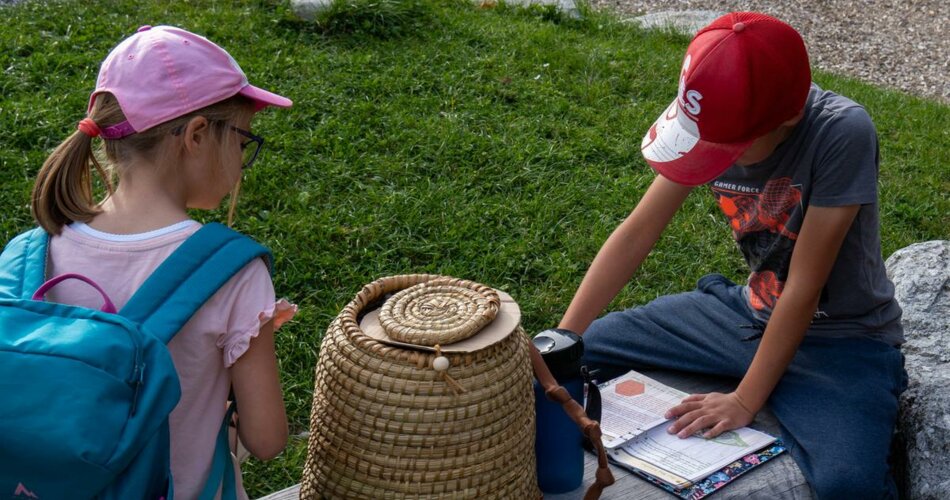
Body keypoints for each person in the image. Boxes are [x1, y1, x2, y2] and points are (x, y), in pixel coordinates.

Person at [558, 12, 906, 499]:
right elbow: (638, 231)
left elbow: (804, 287)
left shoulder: (842, 132)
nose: (714, 155)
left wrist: (746, 399)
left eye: (728, 147)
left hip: (842, 342)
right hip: (743, 314)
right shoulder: (718, 108)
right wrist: (563, 339)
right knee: (591, 346)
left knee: (848, 485)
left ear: (787, 117)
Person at [29, 25, 296, 498]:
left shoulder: (32, 255)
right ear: (196, 135)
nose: (242, 157)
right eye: (242, 141)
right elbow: (267, 438)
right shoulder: (231, 273)